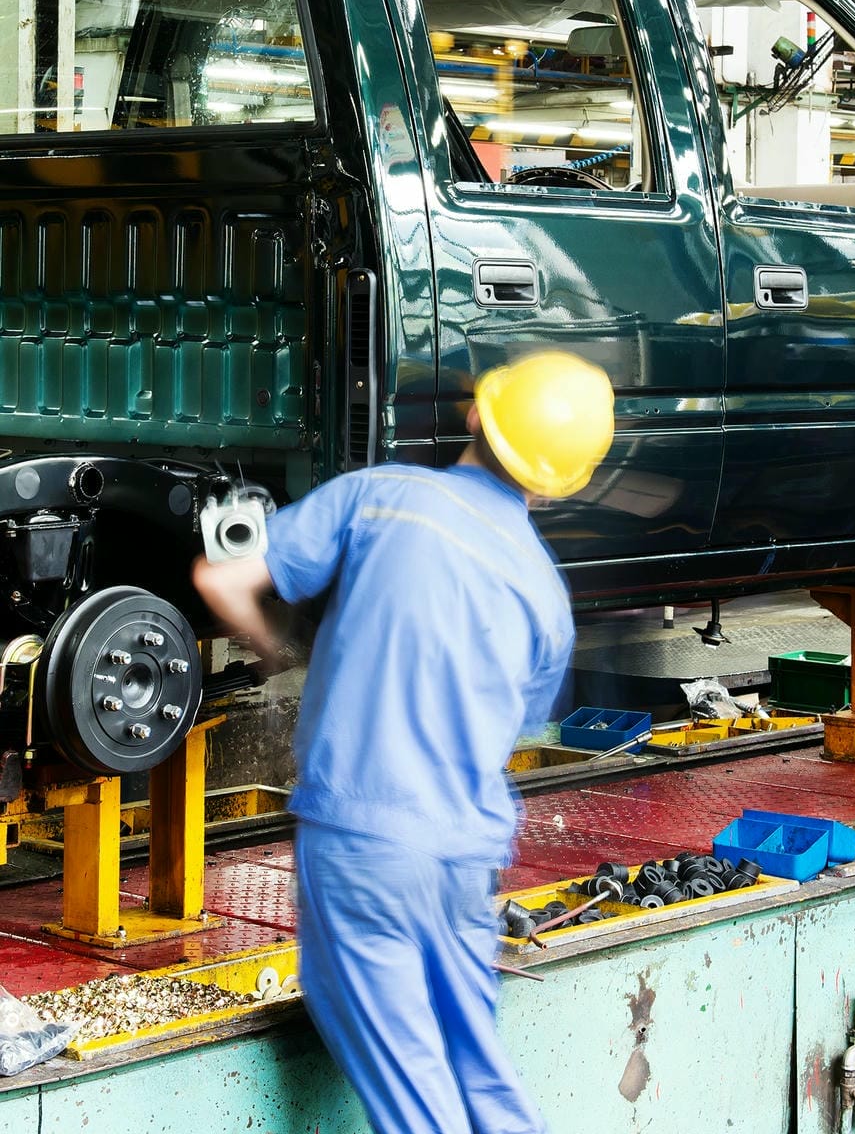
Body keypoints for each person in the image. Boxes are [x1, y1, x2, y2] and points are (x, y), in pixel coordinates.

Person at [192, 350, 615, 1134]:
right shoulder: (544, 597)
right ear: (559, 482)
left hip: (363, 845)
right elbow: (509, 723)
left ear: (475, 414)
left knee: (415, 1102)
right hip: (464, 854)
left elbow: (221, 581)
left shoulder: (379, 496)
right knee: (476, 1070)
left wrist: (279, 648)